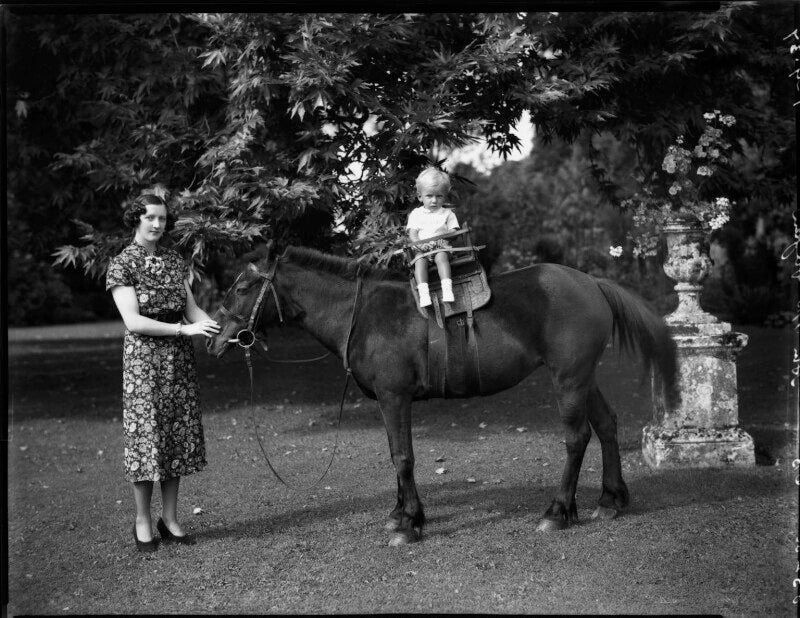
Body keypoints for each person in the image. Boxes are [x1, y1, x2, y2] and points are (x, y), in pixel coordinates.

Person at [106, 193, 220, 552]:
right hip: (144, 363)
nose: (157, 224)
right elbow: (133, 321)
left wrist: (220, 331)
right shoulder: (122, 264)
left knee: (175, 437)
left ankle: (169, 519)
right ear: (136, 219)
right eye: (150, 217)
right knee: (147, 440)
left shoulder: (173, 260)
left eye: (162, 218)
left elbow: (192, 309)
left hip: (178, 361)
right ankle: (142, 521)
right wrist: (183, 330)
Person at [406, 167, 460, 307]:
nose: (434, 200)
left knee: (441, 257)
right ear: (420, 196)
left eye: (439, 196)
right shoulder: (416, 214)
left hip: (442, 247)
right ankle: (424, 294)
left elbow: (454, 231)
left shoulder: (448, 213)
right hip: (422, 249)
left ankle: (447, 290)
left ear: (445, 196)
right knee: (419, 261)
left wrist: (444, 235)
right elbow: (413, 233)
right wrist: (420, 245)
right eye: (429, 196)